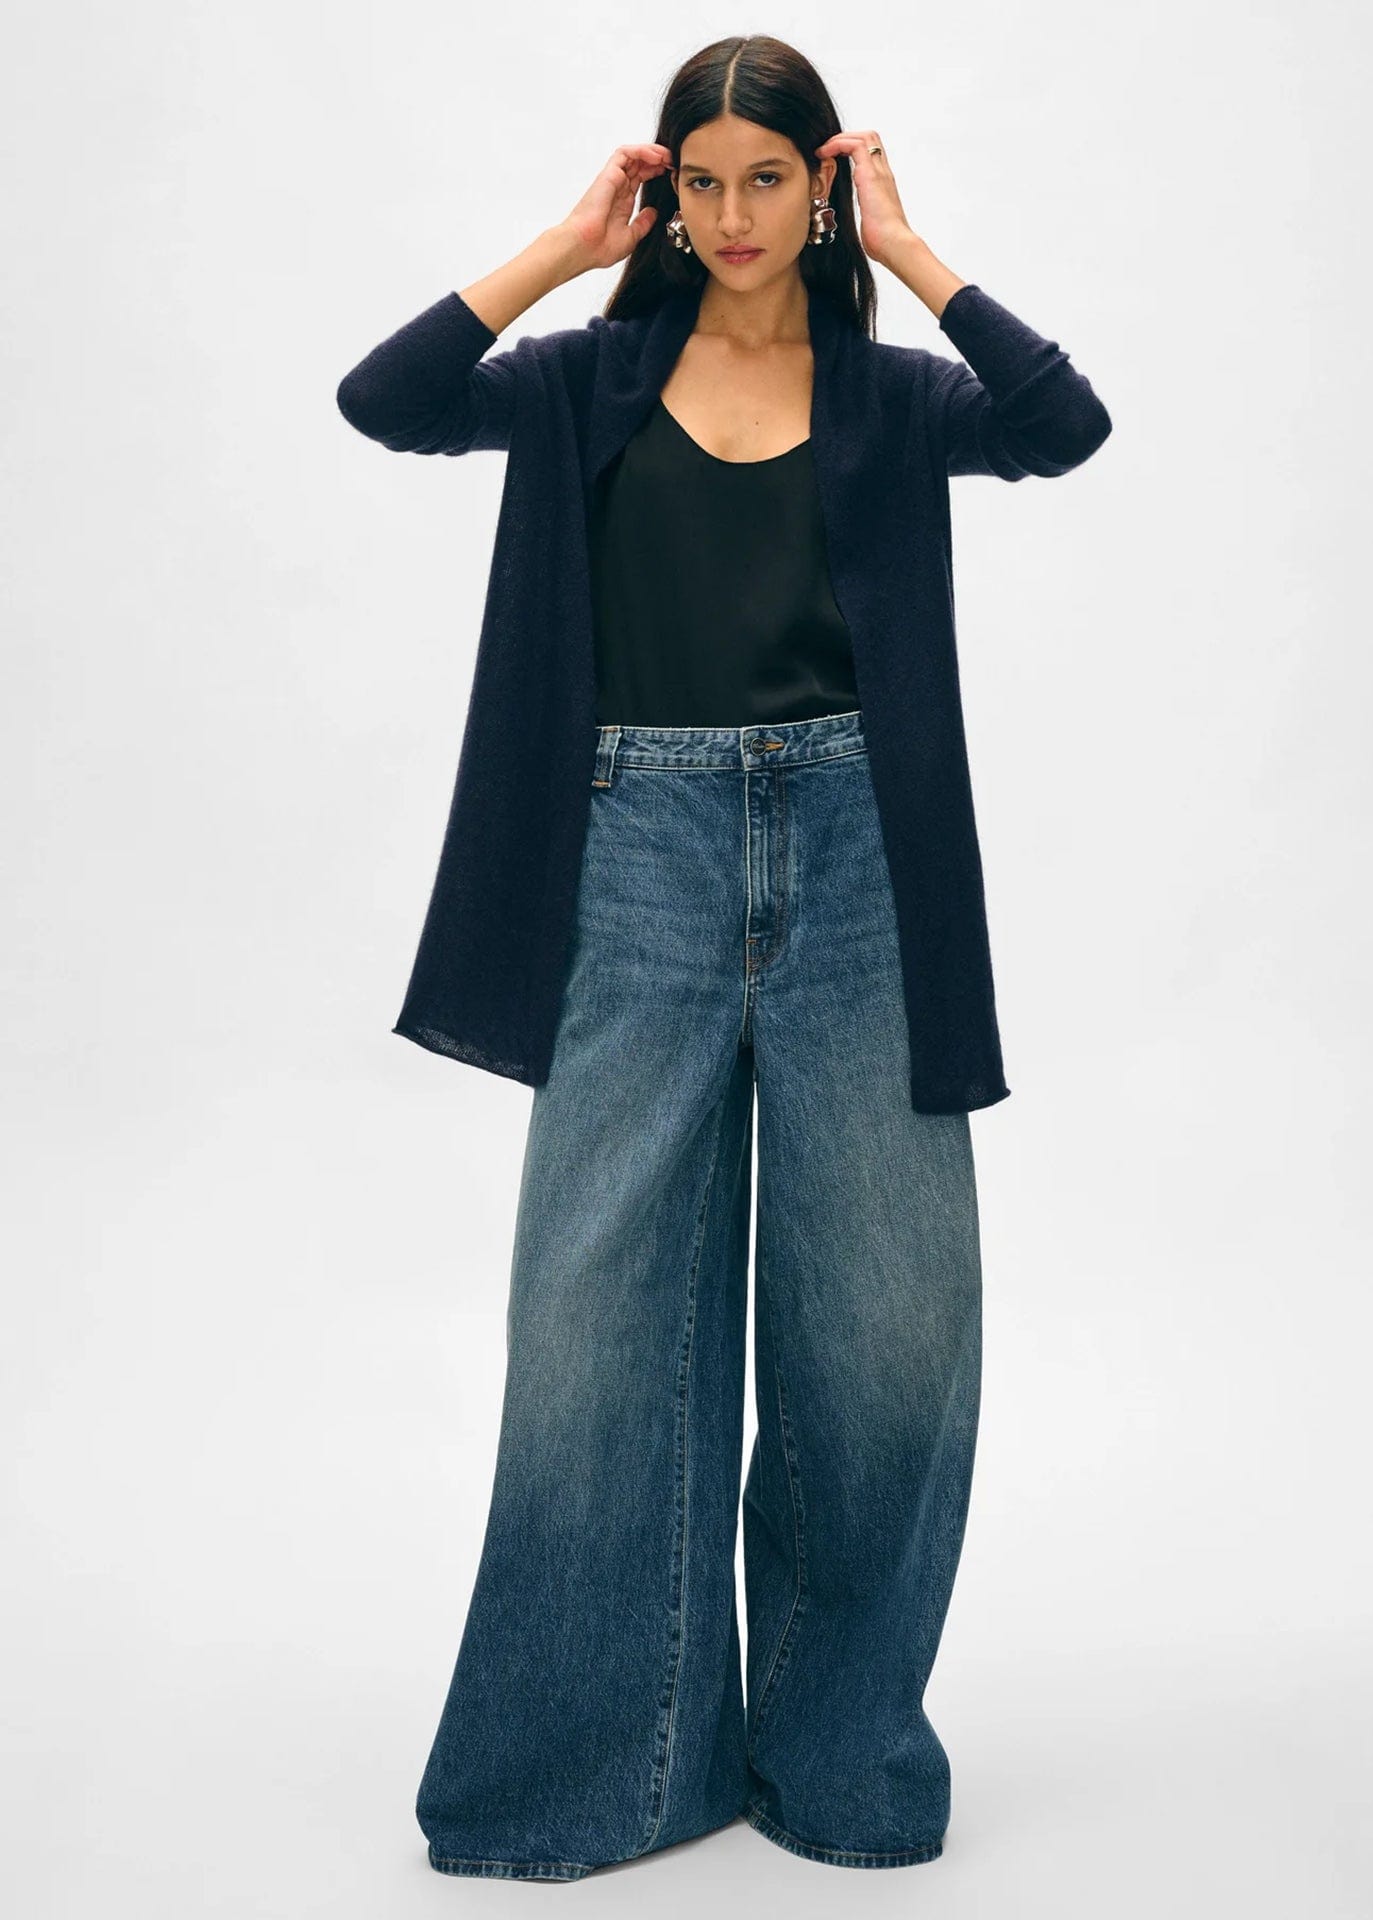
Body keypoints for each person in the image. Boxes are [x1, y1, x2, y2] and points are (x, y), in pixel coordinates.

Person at [336, 31, 1110, 1885]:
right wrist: (562, 242)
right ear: (664, 188)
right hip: (639, 862)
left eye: (774, 177)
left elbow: (1066, 426)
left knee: (890, 1339)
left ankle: (840, 1768)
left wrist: (916, 252)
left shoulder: (895, 392)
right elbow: (387, 397)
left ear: (816, 186)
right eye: (706, 179)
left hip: (862, 873)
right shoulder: (588, 381)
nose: (738, 213)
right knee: (598, 1336)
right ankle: (601, 1775)